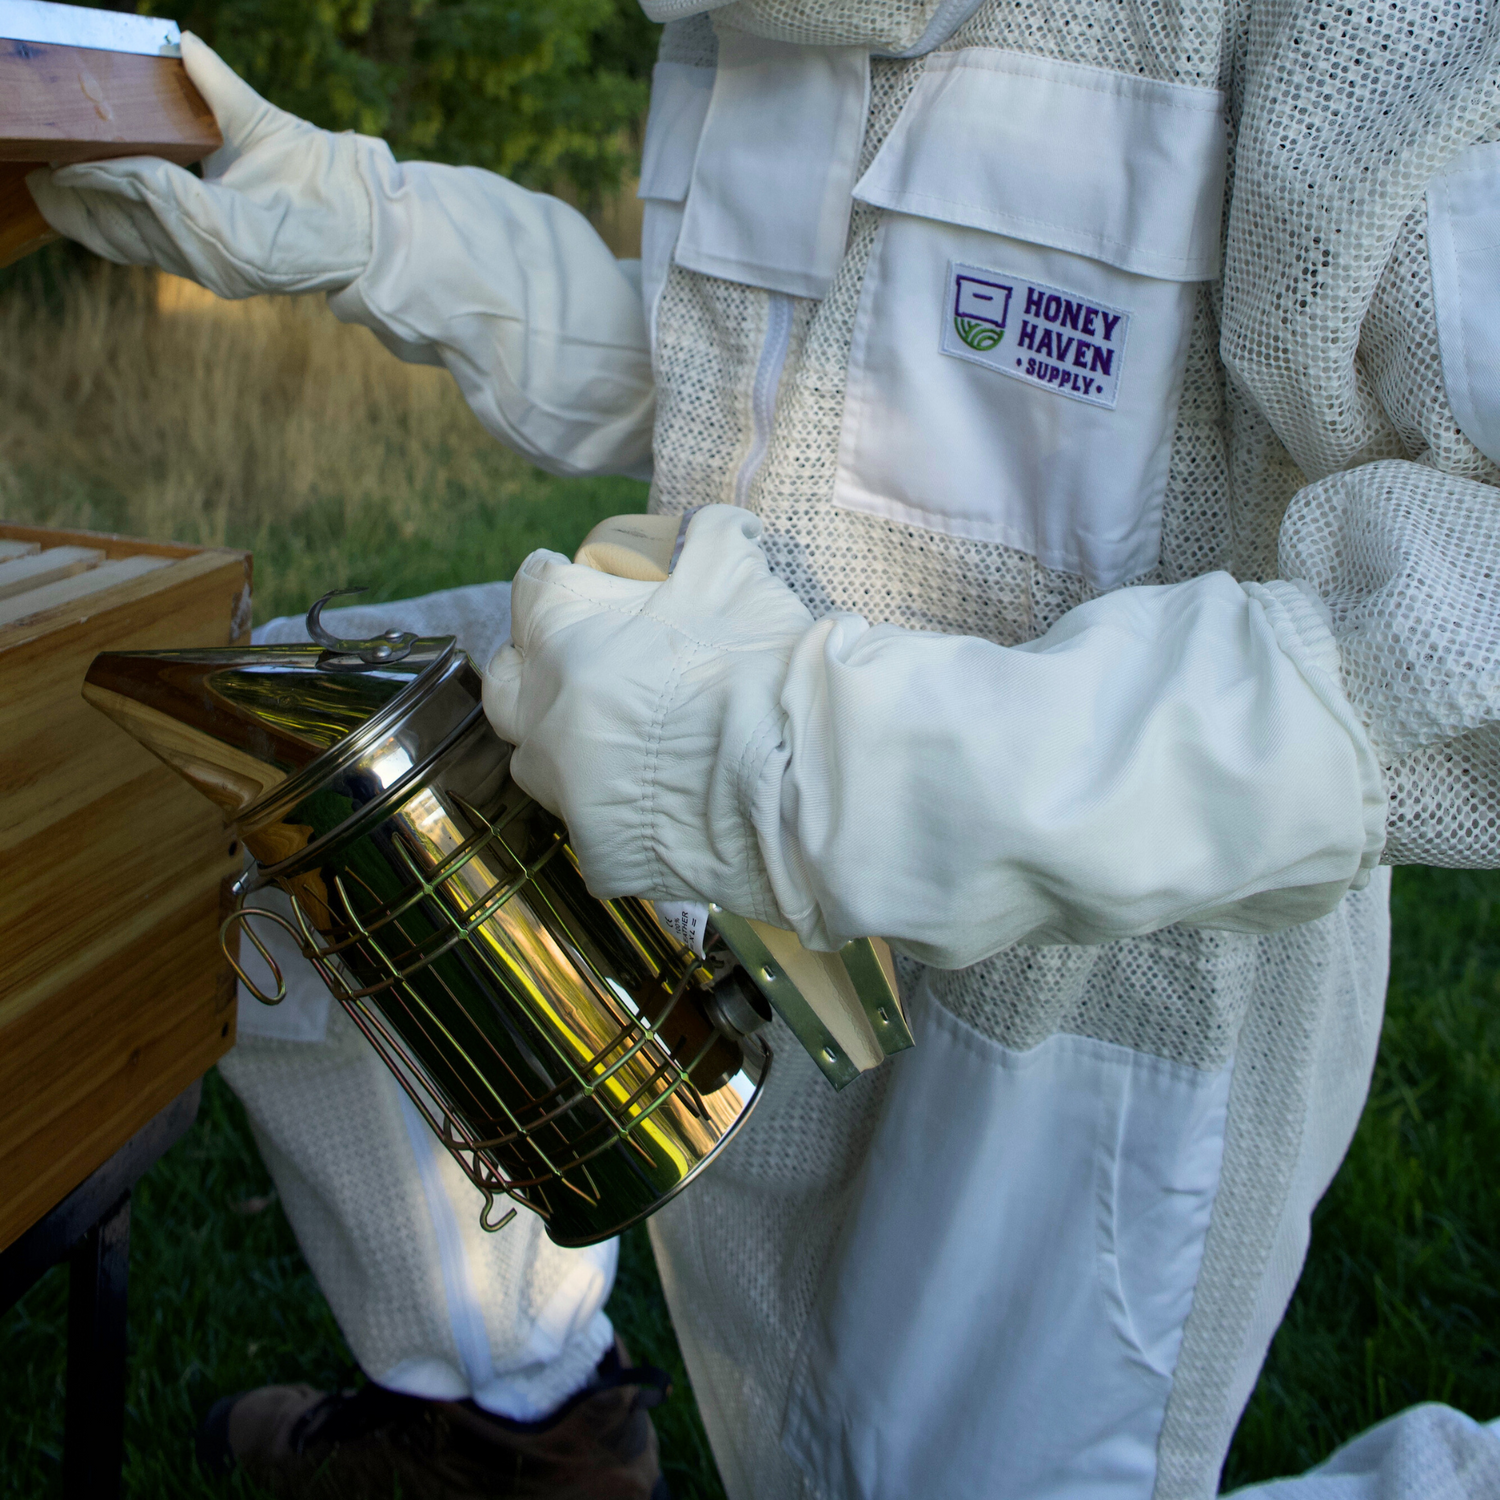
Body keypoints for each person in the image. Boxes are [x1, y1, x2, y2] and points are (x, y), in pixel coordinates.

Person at [30, 3, 1500, 1498]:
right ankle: (517, 1429)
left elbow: (1471, 612)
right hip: (731, 857)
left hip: (1087, 1000)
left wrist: (837, 763)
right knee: (298, 795)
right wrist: (366, 222)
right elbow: (755, 386)